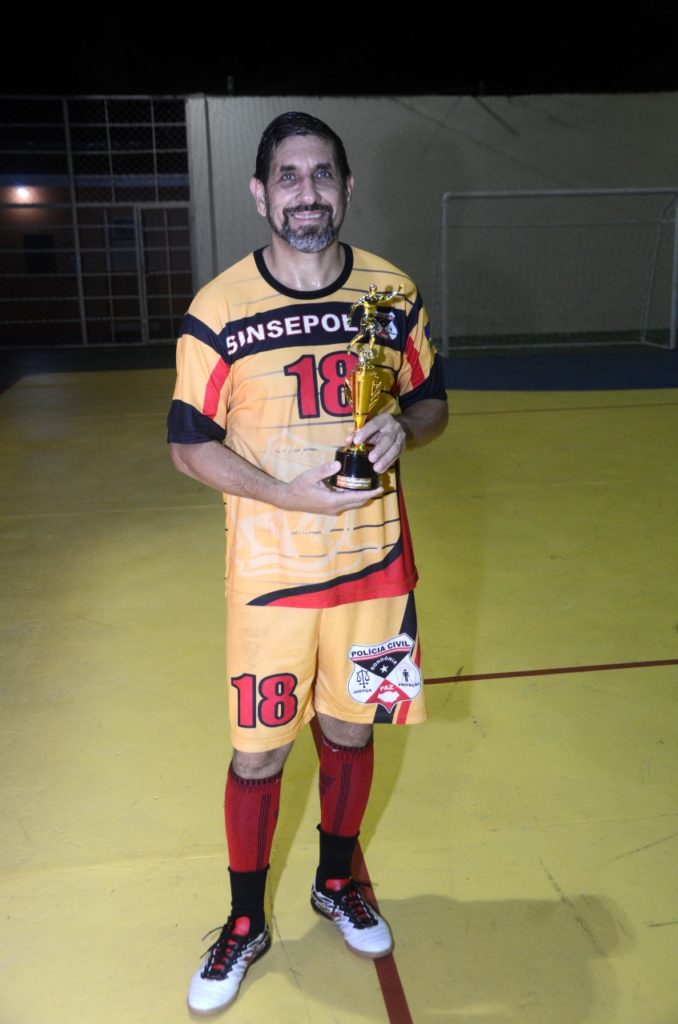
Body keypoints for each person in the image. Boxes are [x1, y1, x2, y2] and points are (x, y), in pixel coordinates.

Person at [167, 111, 448, 1016]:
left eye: (322, 174)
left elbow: (433, 402)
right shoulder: (219, 309)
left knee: (354, 733)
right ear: (260, 193)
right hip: (272, 579)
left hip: (376, 570)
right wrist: (285, 494)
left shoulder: (392, 293)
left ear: (347, 186)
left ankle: (336, 883)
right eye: (288, 177)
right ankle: (246, 921)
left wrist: (404, 425)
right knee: (258, 755)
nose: (307, 194)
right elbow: (187, 446)